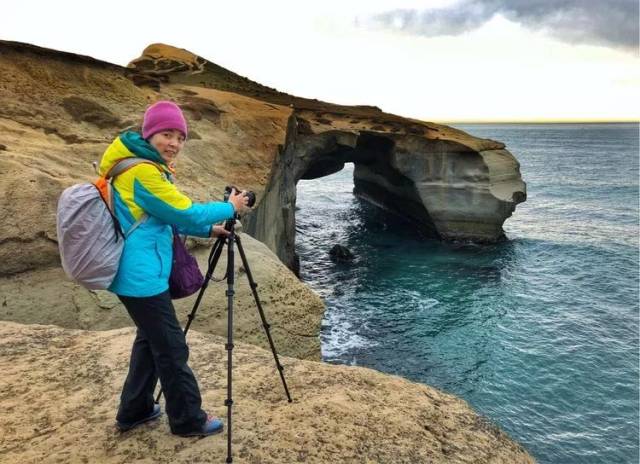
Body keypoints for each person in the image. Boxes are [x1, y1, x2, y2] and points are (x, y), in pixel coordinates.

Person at [98, 100, 249, 437]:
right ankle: (187, 420)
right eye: (167, 134)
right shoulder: (142, 171)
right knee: (171, 347)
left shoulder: (138, 166)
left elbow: (158, 216)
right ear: (149, 134)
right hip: (140, 275)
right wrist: (230, 206)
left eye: (180, 137)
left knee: (149, 340)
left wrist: (209, 230)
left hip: (137, 269)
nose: (174, 144)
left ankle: (134, 409)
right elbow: (184, 213)